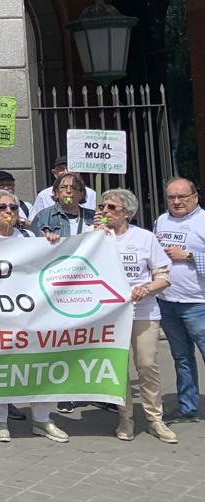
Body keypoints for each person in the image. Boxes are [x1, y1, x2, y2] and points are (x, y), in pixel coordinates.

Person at [0, 192, 68, 443]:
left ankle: (41, 420)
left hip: (30, 315)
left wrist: (51, 242)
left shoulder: (29, 237)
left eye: (14, 206)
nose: (9, 210)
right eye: (2, 206)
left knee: (38, 366)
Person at [93, 189, 178, 443]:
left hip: (143, 312)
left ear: (127, 213)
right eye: (103, 206)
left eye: (112, 208)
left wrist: (146, 289)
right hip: (109, 316)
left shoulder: (145, 238)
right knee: (118, 368)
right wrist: (94, 237)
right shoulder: (95, 237)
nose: (105, 212)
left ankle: (155, 420)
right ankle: (125, 418)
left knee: (146, 366)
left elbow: (163, 278)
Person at [154, 178, 205, 423]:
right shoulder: (161, 221)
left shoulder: (203, 221)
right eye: (171, 197)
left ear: (195, 196)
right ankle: (188, 407)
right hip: (168, 301)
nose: (176, 202)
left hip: (199, 303)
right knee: (182, 357)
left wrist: (190, 256)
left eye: (181, 197)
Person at [29, 173, 94, 238]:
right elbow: (32, 244)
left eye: (74, 188)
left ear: (81, 194)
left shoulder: (93, 216)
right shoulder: (42, 217)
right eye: (63, 187)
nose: (68, 191)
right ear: (56, 193)